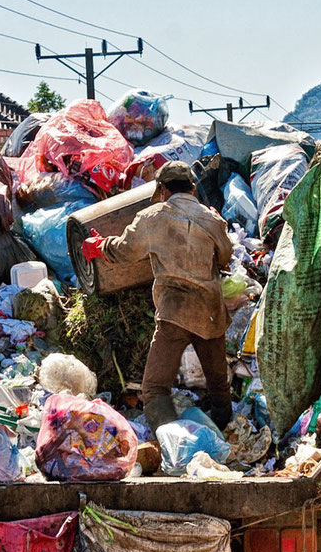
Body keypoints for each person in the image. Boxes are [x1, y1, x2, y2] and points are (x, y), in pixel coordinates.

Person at [82, 161, 234, 432]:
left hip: (174, 312)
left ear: (162, 190)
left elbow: (126, 251)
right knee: (218, 383)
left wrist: (100, 246)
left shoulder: (152, 217)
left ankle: (170, 442)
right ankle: (224, 431)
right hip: (210, 311)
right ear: (193, 188)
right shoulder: (212, 219)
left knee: (154, 387)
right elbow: (225, 256)